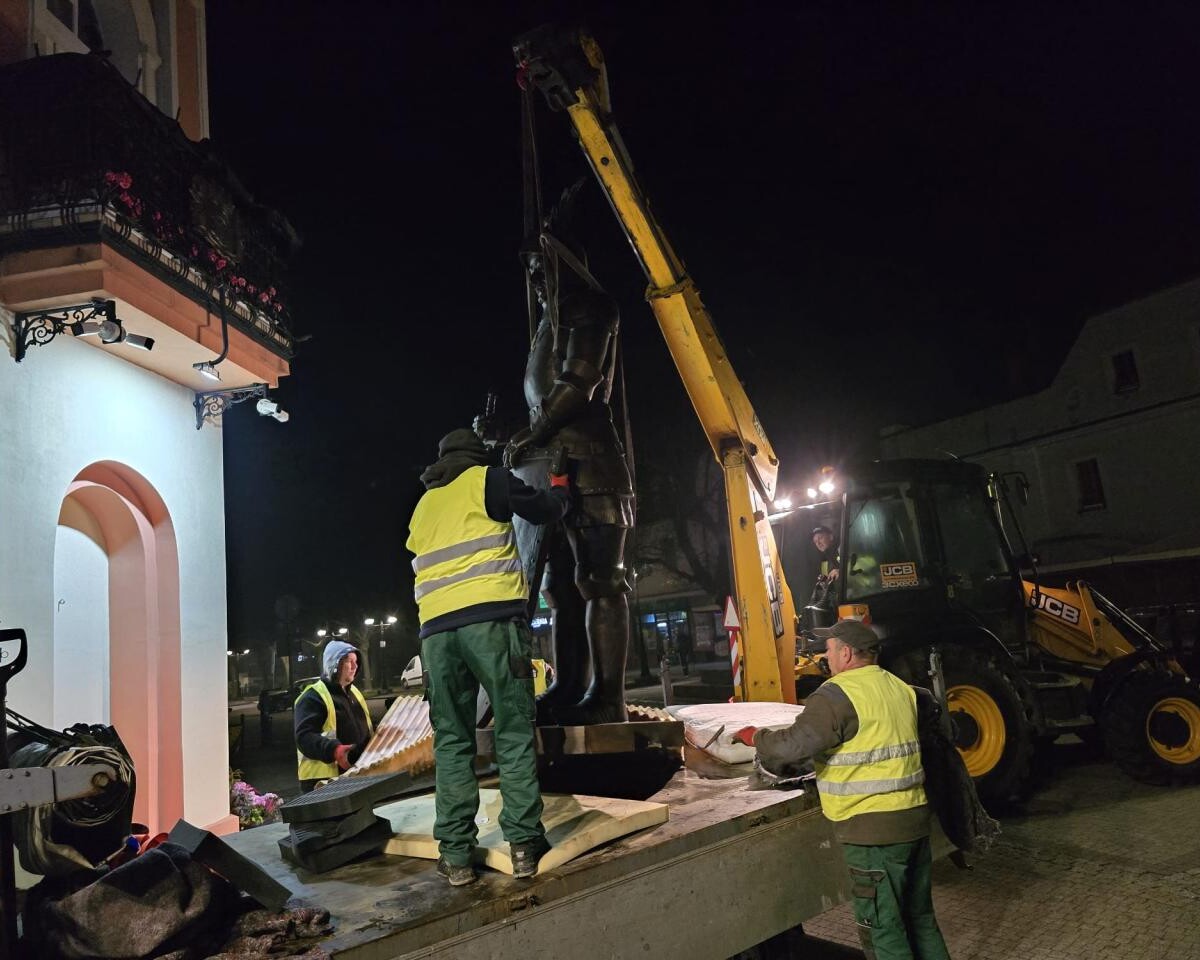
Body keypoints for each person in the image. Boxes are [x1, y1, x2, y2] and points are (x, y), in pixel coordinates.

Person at [406, 427, 570, 886]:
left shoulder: (423, 506)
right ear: (476, 457)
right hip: (492, 624)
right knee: (512, 731)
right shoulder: (488, 480)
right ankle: (524, 845)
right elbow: (543, 511)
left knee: (452, 741)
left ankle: (456, 856)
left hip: (436, 635)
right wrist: (560, 487)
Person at [733, 621, 951, 960]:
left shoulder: (836, 695)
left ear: (846, 653)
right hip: (914, 821)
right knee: (921, 920)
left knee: (884, 930)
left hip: (872, 833)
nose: (826, 655)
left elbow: (792, 747)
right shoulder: (899, 688)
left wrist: (755, 737)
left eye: (829, 649)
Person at [505, 186, 635, 726]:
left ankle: (607, 696)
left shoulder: (591, 307)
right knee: (559, 590)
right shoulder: (547, 321)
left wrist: (532, 431)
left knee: (600, 580)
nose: (537, 281)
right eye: (532, 273)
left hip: (592, 463)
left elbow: (579, 380)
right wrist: (520, 436)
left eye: (542, 269)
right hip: (550, 465)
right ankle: (569, 687)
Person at [293, 640, 374, 794]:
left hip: (354, 775)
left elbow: (365, 728)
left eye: (356, 662)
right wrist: (334, 750)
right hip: (322, 784)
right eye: (349, 661)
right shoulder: (313, 697)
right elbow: (304, 737)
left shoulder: (354, 693)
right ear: (334, 664)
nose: (355, 666)